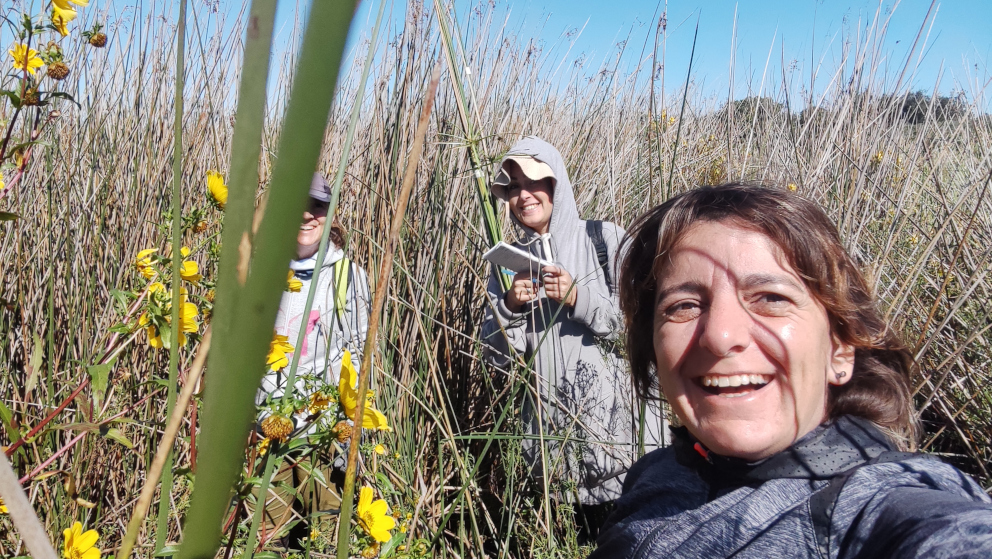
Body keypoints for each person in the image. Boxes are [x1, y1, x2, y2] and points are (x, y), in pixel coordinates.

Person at [591, 183, 992, 558]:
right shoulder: (659, 471)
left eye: (770, 298)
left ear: (839, 349)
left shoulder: (876, 506)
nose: (720, 335)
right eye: (684, 306)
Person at [480, 136, 663, 542]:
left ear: (556, 183)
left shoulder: (605, 240)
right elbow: (494, 359)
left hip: (627, 459)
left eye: (533, 182)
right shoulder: (506, 263)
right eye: (511, 188)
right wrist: (509, 306)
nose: (522, 195)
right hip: (556, 471)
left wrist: (577, 296)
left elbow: (645, 329)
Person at [255, 172, 372, 542]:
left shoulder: (349, 277)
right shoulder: (259, 272)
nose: (307, 215)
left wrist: (351, 433)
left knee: (324, 537)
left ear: (330, 211)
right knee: (266, 540)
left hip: (322, 438)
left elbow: (361, 359)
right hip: (265, 433)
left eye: (318, 205)